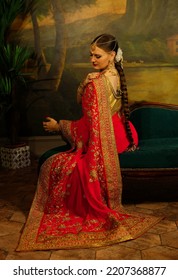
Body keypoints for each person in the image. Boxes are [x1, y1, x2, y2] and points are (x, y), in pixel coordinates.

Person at [17, 34, 161, 251]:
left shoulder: (95, 83)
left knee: (64, 165)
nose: (92, 60)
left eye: (97, 55)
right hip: (124, 135)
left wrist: (60, 126)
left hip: (106, 138)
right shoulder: (116, 75)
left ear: (112, 55)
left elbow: (89, 127)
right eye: (90, 55)